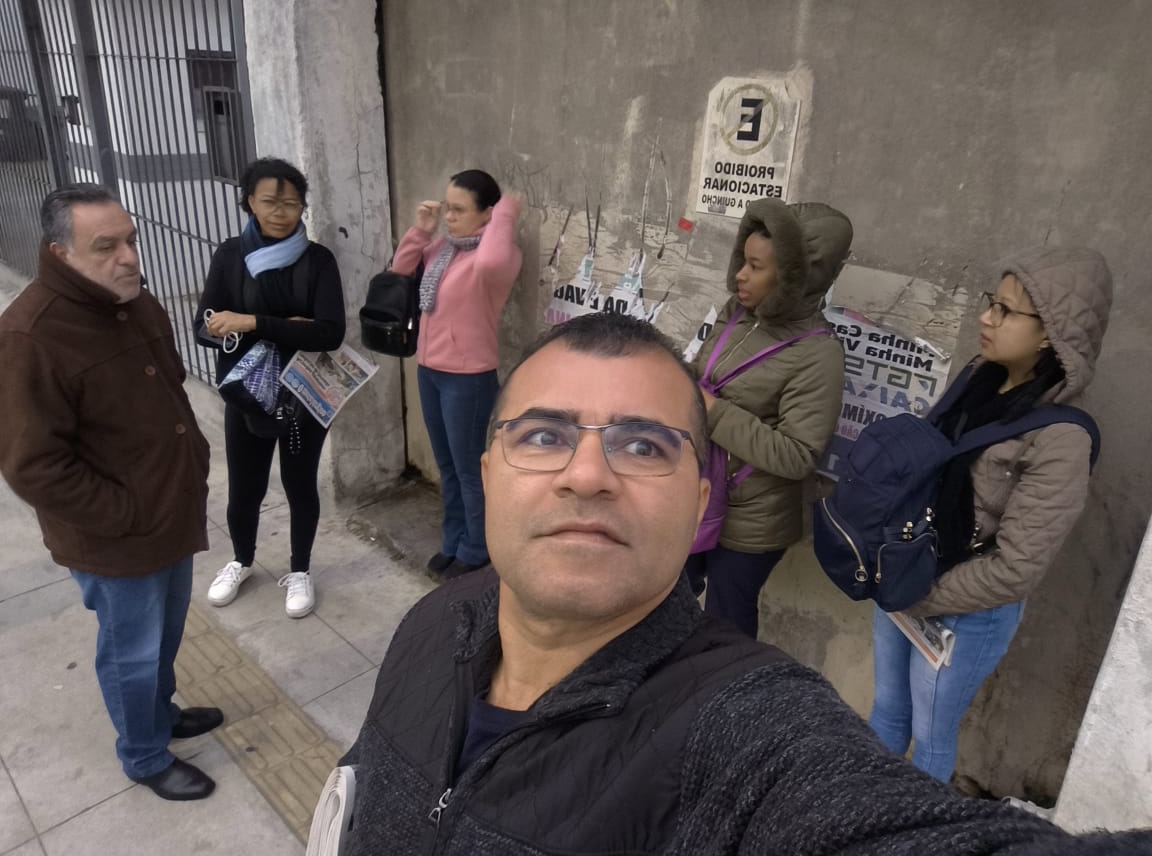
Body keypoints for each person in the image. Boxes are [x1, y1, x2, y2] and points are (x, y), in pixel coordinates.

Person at [335, 311, 1150, 855]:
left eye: (643, 446)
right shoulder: (432, 624)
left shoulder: (745, 736)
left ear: (698, 504)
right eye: (544, 436)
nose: (586, 474)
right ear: (488, 473)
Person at [0, 184, 221, 800]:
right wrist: (124, 512)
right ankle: (145, 756)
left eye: (131, 240)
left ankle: (160, 714)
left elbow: (168, 387)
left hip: (170, 510)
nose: (128, 257)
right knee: (132, 652)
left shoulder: (134, 300)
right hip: (115, 536)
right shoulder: (30, 335)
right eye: (106, 246)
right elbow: (32, 465)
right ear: (61, 253)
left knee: (164, 636)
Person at [869, 246, 1113, 782]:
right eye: (990, 302)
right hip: (908, 571)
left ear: (1049, 333)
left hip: (964, 611)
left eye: (1005, 310)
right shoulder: (977, 380)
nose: (985, 318)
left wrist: (920, 595)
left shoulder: (1061, 436)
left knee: (930, 738)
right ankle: (859, 813)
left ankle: (917, 824)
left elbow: (1016, 569)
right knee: (886, 711)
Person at [684, 197, 850, 637]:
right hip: (697, 490)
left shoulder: (819, 354)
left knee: (724, 630)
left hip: (751, 521)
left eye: (755, 267)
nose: (740, 274)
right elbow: (704, 374)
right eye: (743, 260)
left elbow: (797, 455)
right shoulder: (737, 313)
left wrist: (712, 411)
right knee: (668, 603)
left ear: (794, 278)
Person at [194, 157, 345, 618]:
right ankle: (241, 560)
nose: (281, 213)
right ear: (249, 203)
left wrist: (250, 321)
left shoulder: (318, 260)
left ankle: (299, 570)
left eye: (292, 203)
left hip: (303, 393)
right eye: (270, 202)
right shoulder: (229, 256)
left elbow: (329, 333)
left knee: (300, 483)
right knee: (245, 486)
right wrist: (286, 326)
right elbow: (203, 326)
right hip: (247, 392)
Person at [390, 170, 522, 581]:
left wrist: (506, 210)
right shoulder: (441, 250)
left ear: (487, 215)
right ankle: (452, 540)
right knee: (446, 465)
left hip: (468, 378)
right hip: (430, 371)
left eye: (459, 210)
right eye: (448, 207)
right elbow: (400, 269)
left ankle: (476, 547)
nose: (449, 217)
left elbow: (493, 259)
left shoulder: (498, 259)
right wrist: (421, 229)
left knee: (469, 469)